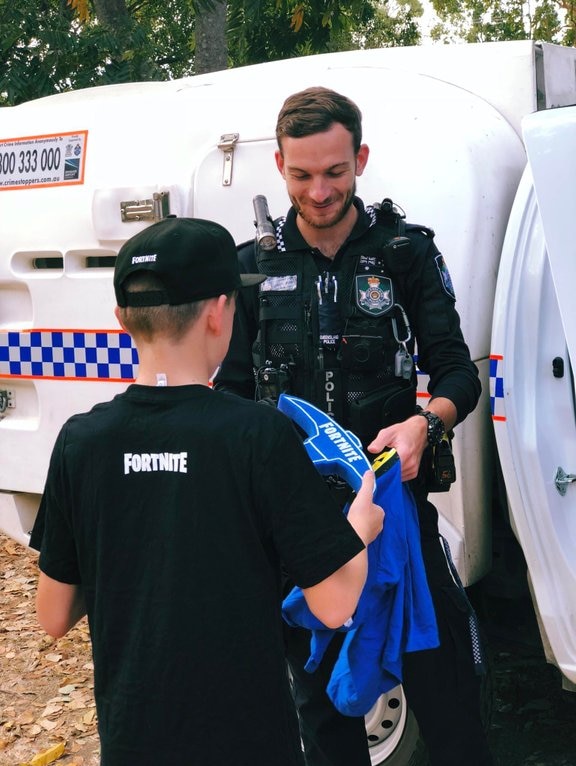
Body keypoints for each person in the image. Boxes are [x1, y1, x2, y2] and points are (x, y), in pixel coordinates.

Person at [30, 216, 384, 766]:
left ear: (122, 318)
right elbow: (333, 604)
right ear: (221, 312)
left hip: (133, 743)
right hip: (248, 743)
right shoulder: (257, 435)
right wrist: (357, 530)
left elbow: (53, 615)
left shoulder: (82, 441)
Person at [213, 87, 494, 766]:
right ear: (279, 166)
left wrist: (426, 421)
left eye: (334, 172)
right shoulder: (251, 268)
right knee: (322, 719)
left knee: (449, 697)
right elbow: (232, 393)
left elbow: (459, 374)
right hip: (299, 531)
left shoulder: (406, 253)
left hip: (397, 516)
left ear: (360, 159)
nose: (317, 191)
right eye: (302, 174)